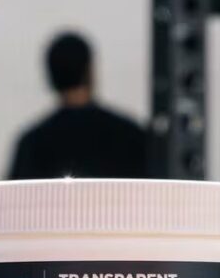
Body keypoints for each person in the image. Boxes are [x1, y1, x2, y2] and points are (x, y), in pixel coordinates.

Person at [8, 32, 149, 180]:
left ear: (51, 77)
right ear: (89, 70)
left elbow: (12, 197)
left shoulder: (32, 144)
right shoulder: (131, 135)